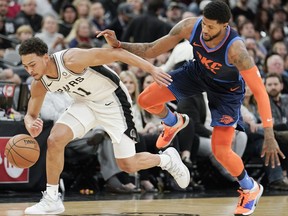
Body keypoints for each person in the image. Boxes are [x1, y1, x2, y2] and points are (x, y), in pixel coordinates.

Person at [97, 1, 285, 215]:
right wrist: (120, 44)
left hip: (227, 92)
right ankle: (172, 122)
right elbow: (151, 50)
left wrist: (269, 133)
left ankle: (250, 188)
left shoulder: (237, 50)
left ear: (225, 26)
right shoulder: (189, 26)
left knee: (221, 150)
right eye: (204, 24)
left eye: (211, 27)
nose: (205, 30)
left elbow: (260, 92)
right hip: (197, 74)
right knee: (145, 100)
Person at [18, 37, 190, 215]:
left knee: (128, 165)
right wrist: (31, 124)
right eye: (25, 67)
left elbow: (117, 53)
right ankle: (52, 198)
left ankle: (167, 160)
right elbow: (31, 115)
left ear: (46, 57)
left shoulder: (72, 59)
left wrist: (152, 69)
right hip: (84, 103)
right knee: (54, 139)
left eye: (32, 64)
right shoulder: (39, 83)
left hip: (113, 100)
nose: (30, 70)